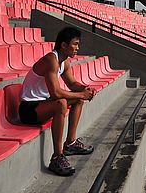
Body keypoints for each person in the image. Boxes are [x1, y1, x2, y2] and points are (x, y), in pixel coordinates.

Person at [12, 26, 97, 176]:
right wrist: (81, 94)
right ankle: (57, 157)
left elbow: (72, 84)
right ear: (64, 45)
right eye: (75, 44)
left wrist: (86, 89)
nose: (78, 47)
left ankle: (70, 143)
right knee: (62, 103)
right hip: (28, 109)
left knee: (77, 98)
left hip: (43, 103)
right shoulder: (51, 59)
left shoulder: (65, 62)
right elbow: (56, 93)